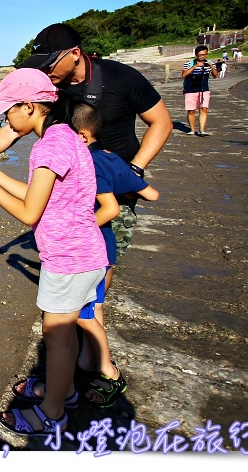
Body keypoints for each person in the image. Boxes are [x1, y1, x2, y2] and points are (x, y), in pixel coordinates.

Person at [0, 69, 108, 437]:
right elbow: (37, 196)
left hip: (69, 257)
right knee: (62, 335)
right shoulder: (63, 135)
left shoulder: (49, 146)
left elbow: (30, 213)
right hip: (82, 252)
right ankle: (60, 392)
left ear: (30, 107)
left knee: (57, 336)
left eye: (7, 113)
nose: (5, 121)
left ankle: (53, 412)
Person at [0, 23, 172, 266]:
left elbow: (161, 123)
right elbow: (13, 129)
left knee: (105, 253)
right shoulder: (49, 89)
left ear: (75, 54)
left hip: (111, 176)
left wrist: (135, 169)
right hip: (69, 181)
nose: (45, 69)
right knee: (74, 254)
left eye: (50, 62)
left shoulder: (121, 77)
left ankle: (92, 299)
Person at [70, 102, 159, 406]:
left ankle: (108, 372)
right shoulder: (111, 158)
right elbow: (151, 194)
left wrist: (76, 228)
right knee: (96, 304)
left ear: (81, 136)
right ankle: (85, 360)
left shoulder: (91, 163)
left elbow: (108, 207)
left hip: (95, 242)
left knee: (89, 309)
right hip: (111, 240)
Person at [181, 45, 218, 136]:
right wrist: (195, 66)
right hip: (190, 89)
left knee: (204, 109)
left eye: (204, 54)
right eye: (200, 55)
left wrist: (212, 67)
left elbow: (216, 76)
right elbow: (184, 74)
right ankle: (192, 130)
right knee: (191, 110)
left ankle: (202, 130)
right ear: (196, 54)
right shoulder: (189, 63)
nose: (202, 57)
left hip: (204, 89)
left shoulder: (209, 63)